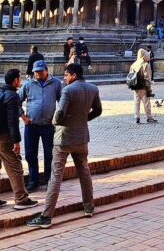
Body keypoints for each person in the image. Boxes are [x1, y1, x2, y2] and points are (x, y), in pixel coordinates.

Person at [26, 63, 102, 228]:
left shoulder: (68, 90)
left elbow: (59, 114)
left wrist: (54, 121)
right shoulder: (93, 88)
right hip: (82, 137)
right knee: (84, 172)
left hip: (64, 138)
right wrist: (83, 120)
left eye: (66, 75)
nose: (64, 79)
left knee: (56, 176)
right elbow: (98, 111)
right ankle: (89, 206)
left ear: (73, 75)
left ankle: (46, 215)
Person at [0, 69, 38, 211]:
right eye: (19, 78)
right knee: (15, 167)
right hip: (4, 137)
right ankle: (21, 199)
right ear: (15, 80)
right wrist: (16, 141)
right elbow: (12, 122)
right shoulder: (12, 96)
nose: (20, 81)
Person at [19, 60, 62, 192]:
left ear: (46, 70)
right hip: (31, 125)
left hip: (49, 125)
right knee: (30, 154)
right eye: (35, 72)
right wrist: (23, 117)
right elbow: (15, 101)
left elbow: (62, 101)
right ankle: (33, 180)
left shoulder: (56, 83)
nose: (37, 74)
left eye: (40, 71)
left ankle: (49, 180)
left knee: (50, 154)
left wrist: (58, 118)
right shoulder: (28, 84)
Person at [129, 48, 157, 124]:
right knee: (147, 102)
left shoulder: (134, 64)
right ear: (144, 56)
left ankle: (137, 117)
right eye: (147, 56)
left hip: (135, 86)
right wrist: (149, 88)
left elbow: (130, 75)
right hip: (144, 87)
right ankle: (149, 118)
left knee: (136, 102)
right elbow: (147, 78)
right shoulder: (145, 65)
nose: (148, 58)